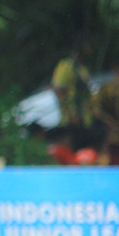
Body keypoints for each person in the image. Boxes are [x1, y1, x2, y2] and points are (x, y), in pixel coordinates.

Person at [48, 36, 103, 164]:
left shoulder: (82, 69)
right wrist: (69, 112)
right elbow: (58, 90)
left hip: (85, 119)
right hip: (72, 119)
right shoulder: (66, 65)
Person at [91, 58, 119, 165]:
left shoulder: (106, 89)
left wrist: (110, 122)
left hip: (113, 137)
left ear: (114, 69)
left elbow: (95, 110)